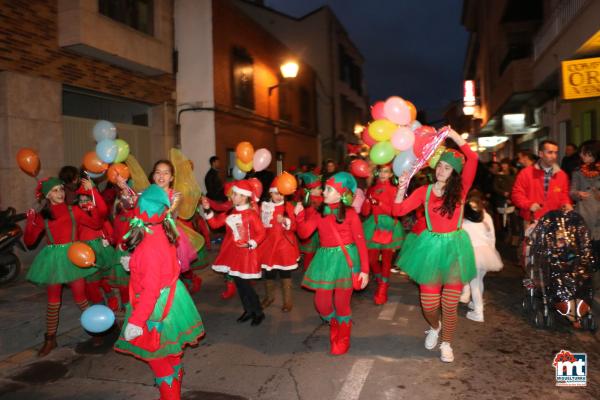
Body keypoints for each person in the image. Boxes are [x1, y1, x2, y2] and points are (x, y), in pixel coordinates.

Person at [393, 129, 478, 363]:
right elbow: (397, 211)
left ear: (455, 173)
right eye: (439, 165)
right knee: (429, 305)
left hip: (455, 250)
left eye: (447, 167)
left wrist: (455, 137)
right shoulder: (425, 191)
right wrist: (401, 188)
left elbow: (473, 158)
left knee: (450, 305)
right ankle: (435, 326)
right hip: (430, 249)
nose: (441, 170)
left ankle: (447, 343)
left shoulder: (461, 190)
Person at [114, 184, 205, 400]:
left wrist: (136, 322)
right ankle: (174, 380)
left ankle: (170, 393)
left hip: (155, 306)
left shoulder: (148, 246)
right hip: (171, 298)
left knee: (155, 354)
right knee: (168, 350)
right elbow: (164, 264)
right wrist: (134, 263)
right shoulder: (161, 229)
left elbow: (150, 289)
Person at [24, 177, 104, 356]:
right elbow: (29, 241)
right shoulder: (42, 215)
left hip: (74, 257)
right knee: (53, 301)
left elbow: (96, 224)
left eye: (61, 189)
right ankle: (50, 339)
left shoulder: (73, 210)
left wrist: (93, 207)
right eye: (55, 191)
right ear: (47, 195)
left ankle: (95, 330)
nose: (60, 193)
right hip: (53, 260)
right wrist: (31, 224)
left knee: (80, 298)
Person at [294, 172, 369, 355]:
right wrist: (299, 216)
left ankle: (343, 337)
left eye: (328, 189)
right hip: (326, 260)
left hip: (346, 261)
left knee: (342, 302)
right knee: (321, 303)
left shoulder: (351, 214)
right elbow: (304, 234)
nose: (323, 192)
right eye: (324, 188)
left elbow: (360, 243)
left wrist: (364, 271)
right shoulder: (319, 212)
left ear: (341, 193)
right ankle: (336, 323)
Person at [202, 180, 267, 326]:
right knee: (239, 283)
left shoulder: (251, 214)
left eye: (236, 194)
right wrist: (207, 209)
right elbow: (214, 224)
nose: (232, 196)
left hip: (246, 254)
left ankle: (258, 312)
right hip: (232, 253)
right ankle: (248, 310)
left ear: (244, 197)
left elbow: (261, 233)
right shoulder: (230, 212)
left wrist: (251, 243)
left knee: (246, 285)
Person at [361, 163, 404, 305]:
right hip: (373, 225)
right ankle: (381, 280)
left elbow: (394, 211)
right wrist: (368, 201)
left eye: (386, 172)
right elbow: (365, 212)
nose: (383, 174)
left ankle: (383, 288)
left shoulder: (394, 190)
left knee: (386, 260)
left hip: (388, 225)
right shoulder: (372, 189)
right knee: (372, 259)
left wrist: (378, 203)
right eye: (381, 171)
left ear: (391, 174)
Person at [459, 191, 503, 322]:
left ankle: (478, 313)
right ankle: (477, 304)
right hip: (486, 253)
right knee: (479, 281)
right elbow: (492, 236)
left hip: (471, 253)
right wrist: (492, 250)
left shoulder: (464, 221)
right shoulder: (486, 217)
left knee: (474, 284)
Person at [258, 178, 299, 312]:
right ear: (270, 193)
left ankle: (288, 302)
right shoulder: (264, 207)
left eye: (281, 193)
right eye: (276, 193)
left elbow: (294, 226)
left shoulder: (289, 207)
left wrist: (285, 221)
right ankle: (269, 297)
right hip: (269, 245)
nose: (278, 196)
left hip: (284, 247)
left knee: (285, 274)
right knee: (269, 273)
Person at [512, 140, 572, 227]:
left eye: (555, 153)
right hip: (532, 220)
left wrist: (566, 204)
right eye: (550, 152)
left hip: (555, 220)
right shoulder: (526, 173)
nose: (554, 156)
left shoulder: (562, 175)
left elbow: (564, 195)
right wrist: (529, 205)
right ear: (540, 154)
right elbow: (516, 194)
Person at [570, 140, 600, 261]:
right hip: (584, 215)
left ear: (593, 153)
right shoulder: (578, 172)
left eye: (584, 152)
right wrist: (578, 194)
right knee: (586, 254)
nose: (581, 155)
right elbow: (572, 192)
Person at [296, 172, 323, 271]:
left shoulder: (318, 199)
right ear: (311, 190)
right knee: (310, 253)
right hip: (311, 230)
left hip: (317, 230)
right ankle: (308, 271)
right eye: (319, 188)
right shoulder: (312, 201)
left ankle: (313, 269)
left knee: (315, 253)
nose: (321, 190)